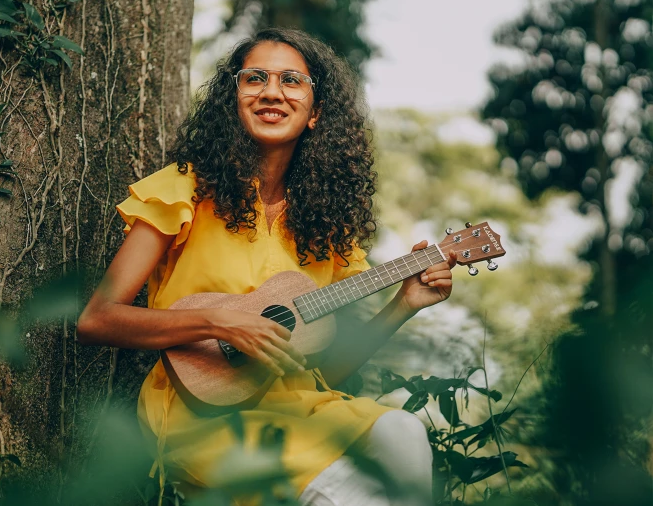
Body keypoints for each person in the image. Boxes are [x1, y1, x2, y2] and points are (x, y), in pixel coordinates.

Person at [77, 28, 456, 506]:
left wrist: (404, 304)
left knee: (401, 432)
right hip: (204, 419)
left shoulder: (324, 228)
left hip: (300, 411)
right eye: (255, 78)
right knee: (350, 492)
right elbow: (96, 319)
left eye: (292, 81)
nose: (272, 92)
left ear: (316, 112)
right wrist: (218, 322)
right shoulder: (183, 190)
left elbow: (320, 372)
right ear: (233, 100)